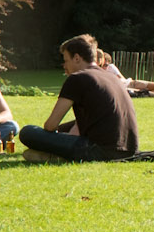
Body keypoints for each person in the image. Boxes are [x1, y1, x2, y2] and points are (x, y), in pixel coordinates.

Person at [20, 34, 140, 162]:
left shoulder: (77, 78)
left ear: (76, 58)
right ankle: (54, 156)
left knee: (28, 132)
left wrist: (54, 136)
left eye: (66, 60)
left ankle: (57, 157)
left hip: (98, 150)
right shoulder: (110, 77)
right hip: (128, 149)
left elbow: (50, 125)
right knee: (60, 130)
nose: (64, 66)